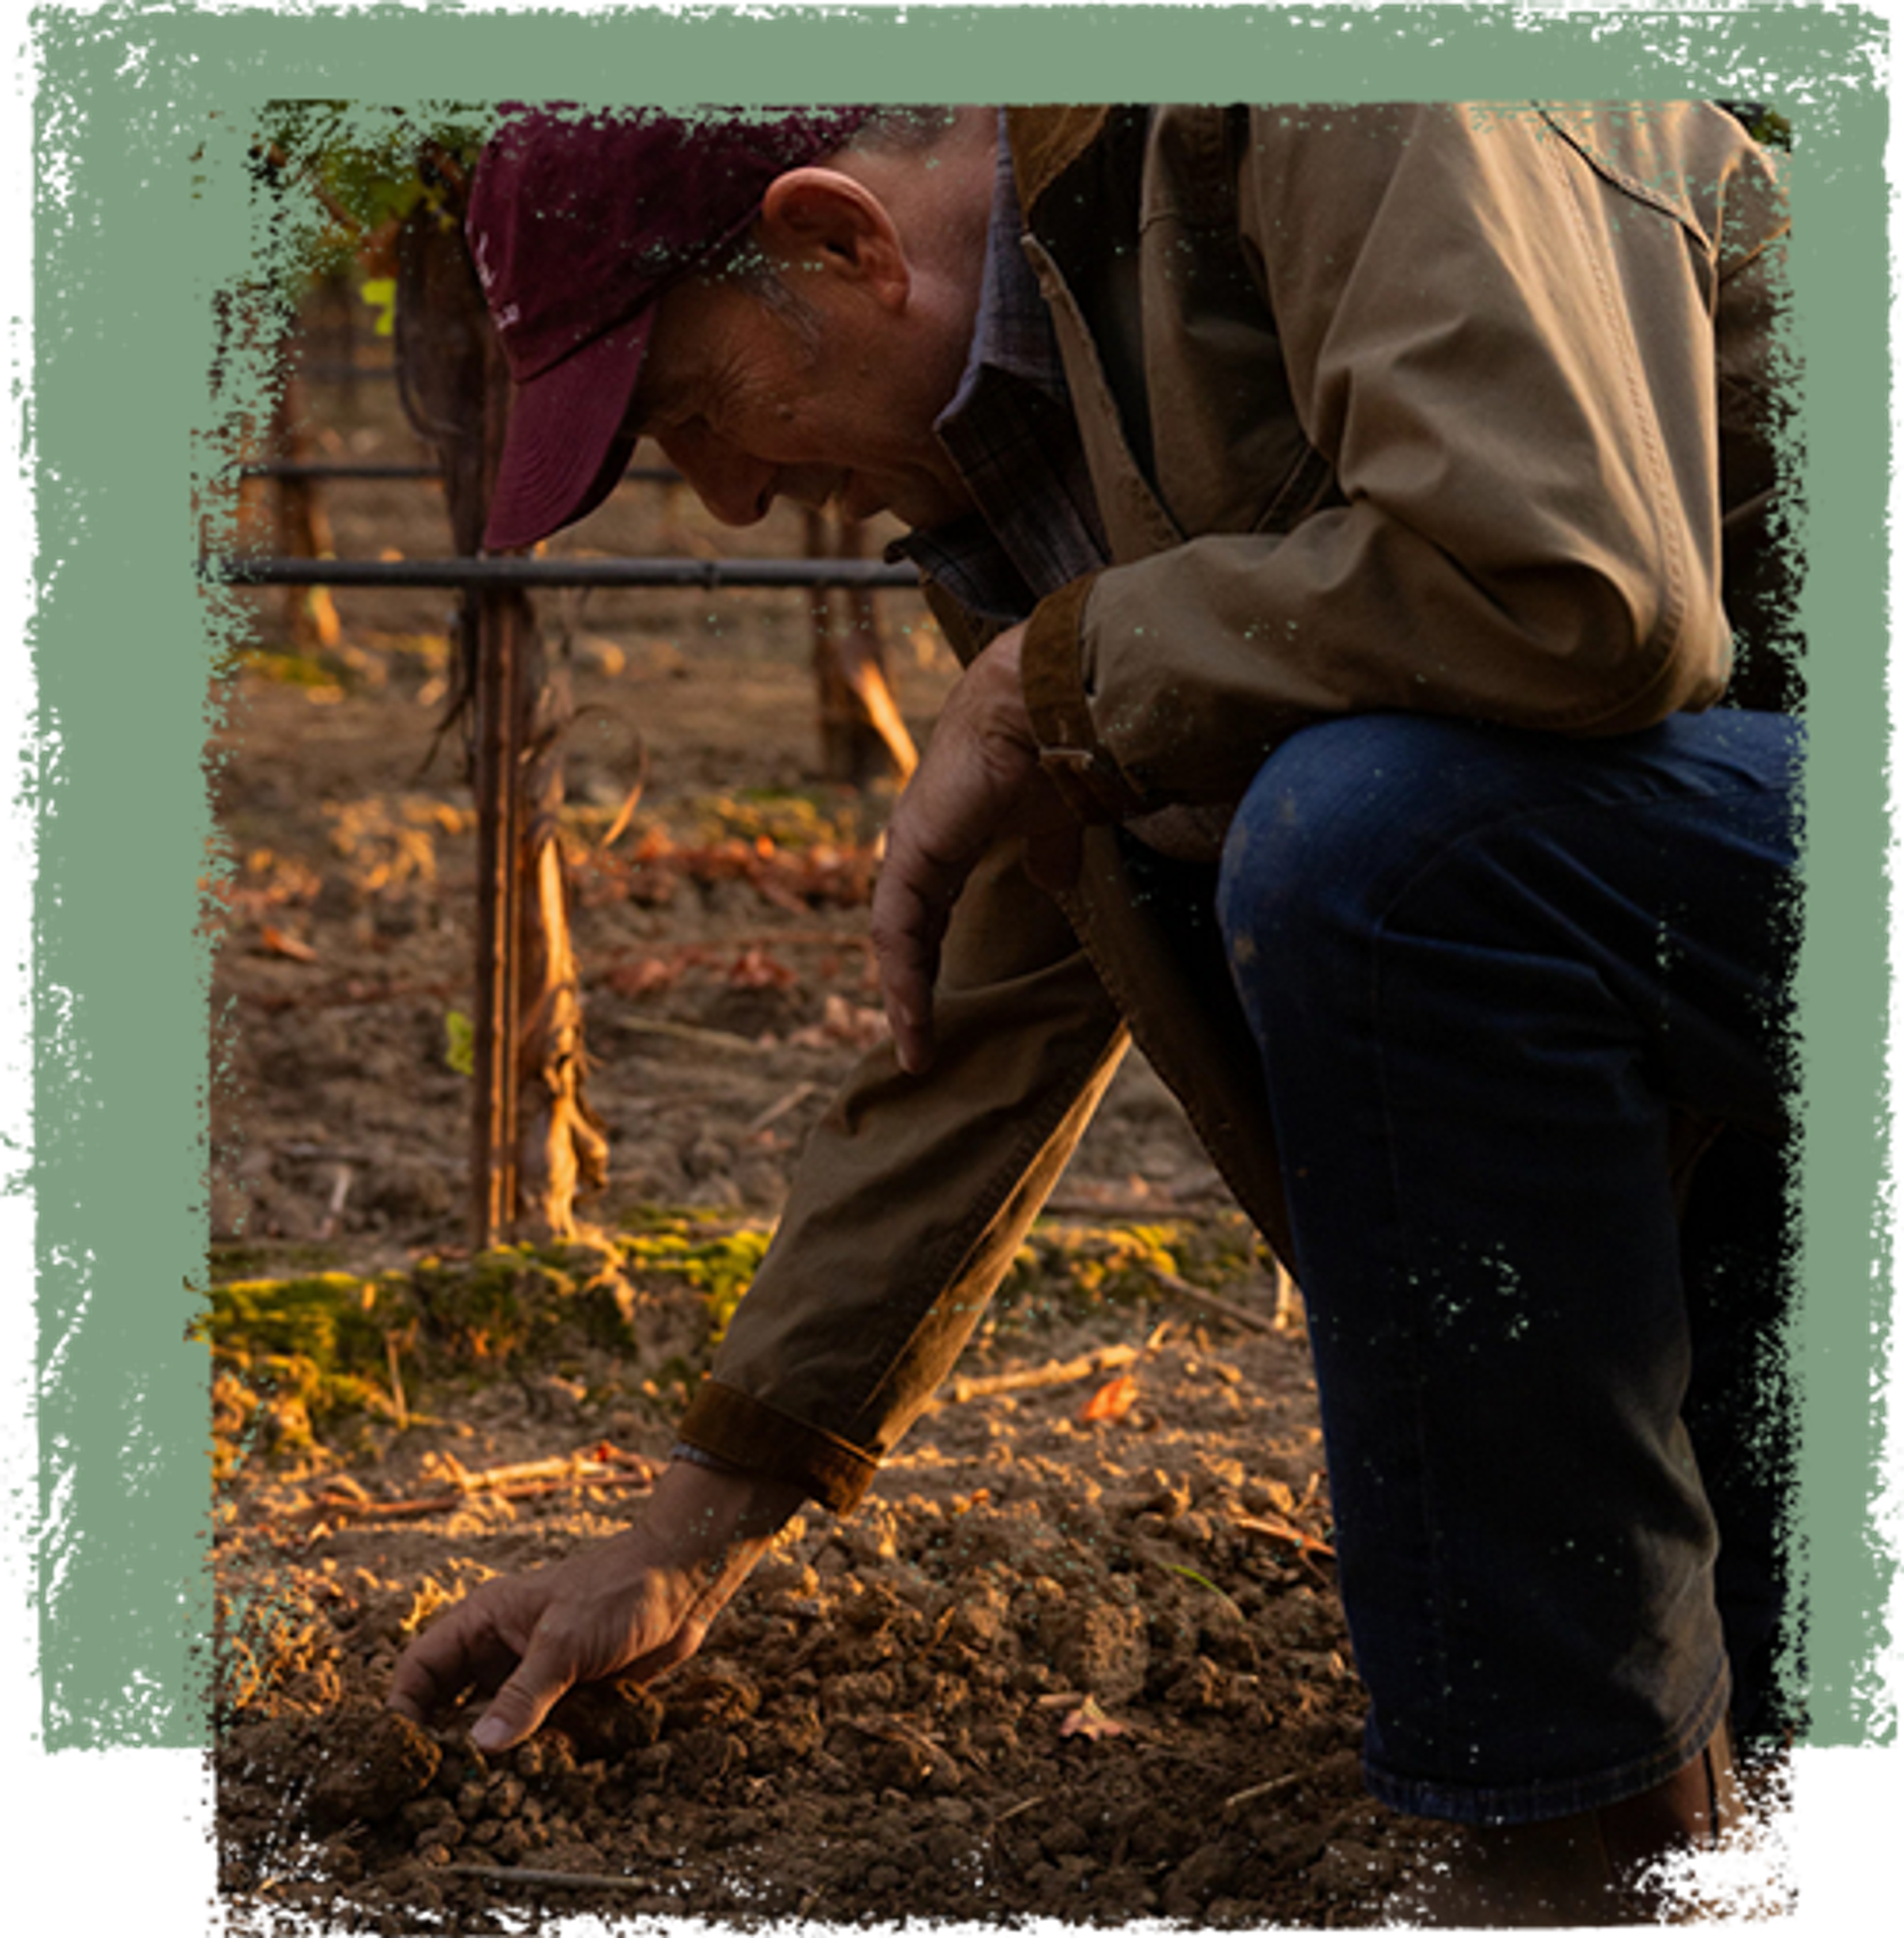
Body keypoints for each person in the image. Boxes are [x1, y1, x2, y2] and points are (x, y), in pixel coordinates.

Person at [391, 102, 1798, 1930]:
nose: (729, 497)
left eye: (693, 413)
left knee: (1368, 843)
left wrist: (1054, 680)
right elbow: (983, 1018)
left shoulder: (1347, 98)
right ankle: (1664, 1727)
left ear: (835, 243)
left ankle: (1561, 1832)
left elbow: (1567, 592)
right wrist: (686, 1532)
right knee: (1759, 1679)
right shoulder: (1034, 454)